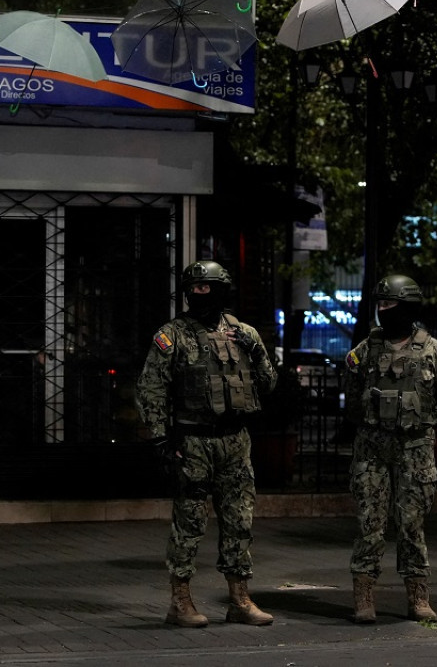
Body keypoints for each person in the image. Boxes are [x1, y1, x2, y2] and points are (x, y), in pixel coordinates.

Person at [135, 260, 277, 628]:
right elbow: (151, 388)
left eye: (207, 288)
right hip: (194, 441)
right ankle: (180, 602)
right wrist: (163, 438)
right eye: (194, 289)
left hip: (235, 442)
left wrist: (257, 351)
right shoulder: (173, 335)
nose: (200, 295)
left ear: (223, 291)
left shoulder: (244, 333)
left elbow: (270, 384)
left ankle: (239, 599)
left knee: (239, 521)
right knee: (190, 523)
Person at [342, 273, 437, 624]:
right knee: (370, 524)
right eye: (379, 304)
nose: (383, 310)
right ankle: (364, 597)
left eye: (389, 304)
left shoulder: (433, 351)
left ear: (406, 307)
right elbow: (351, 395)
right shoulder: (365, 350)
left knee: (412, 525)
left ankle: (418, 598)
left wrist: (416, 424)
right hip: (373, 449)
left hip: (414, 449)